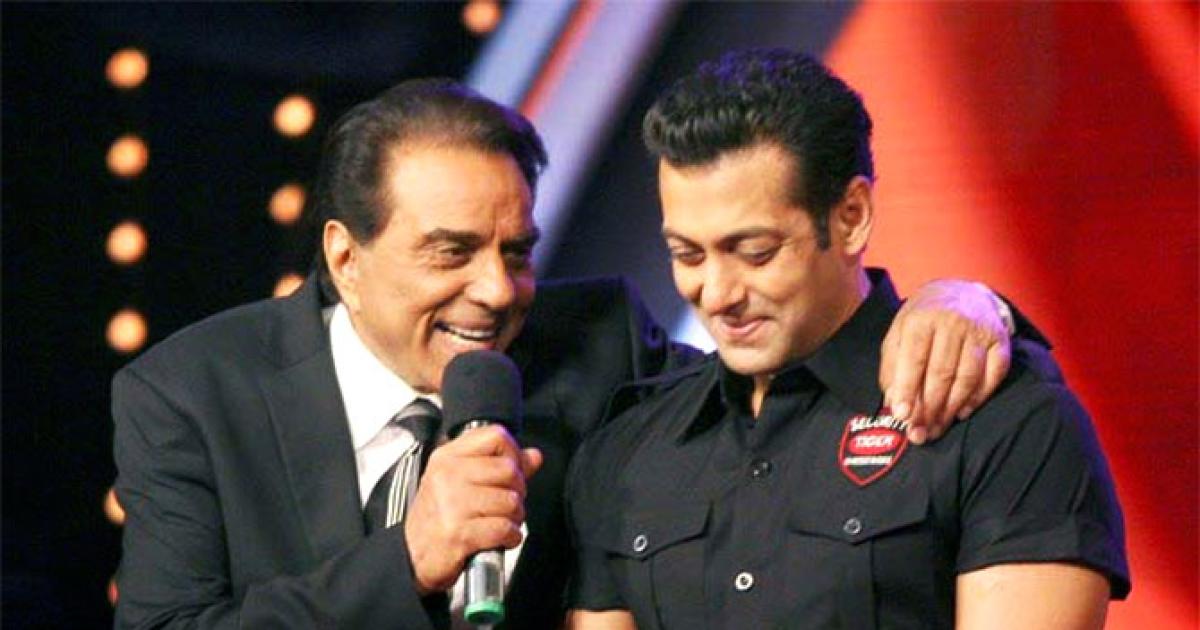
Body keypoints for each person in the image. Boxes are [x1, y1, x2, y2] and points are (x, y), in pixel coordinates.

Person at [112, 78, 1031, 629]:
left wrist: (970, 306)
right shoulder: (193, 392)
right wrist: (410, 558)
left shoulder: (597, 341)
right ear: (346, 259)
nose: (496, 290)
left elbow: (795, 373)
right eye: (451, 252)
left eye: (516, 252)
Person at [565, 50, 1129, 629]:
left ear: (852, 217)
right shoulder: (627, 450)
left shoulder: (1004, 421)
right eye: (686, 254)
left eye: (755, 253)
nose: (716, 292)